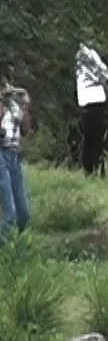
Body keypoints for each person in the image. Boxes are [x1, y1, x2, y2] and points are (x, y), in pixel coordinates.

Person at [0, 63, 31, 242]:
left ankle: (20, 250)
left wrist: (26, 106)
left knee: (23, 213)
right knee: (8, 212)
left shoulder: (14, 103)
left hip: (14, 154)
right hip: (1, 153)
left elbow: (26, 129)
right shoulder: (3, 103)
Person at [75, 43, 108, 175]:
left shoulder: (79, 57)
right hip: (95, 99)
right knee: (96, 138)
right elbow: (105, 74)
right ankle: (96, 166)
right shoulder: (91, 55)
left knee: (89, 137)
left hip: (85, 100)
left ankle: (89, 168)